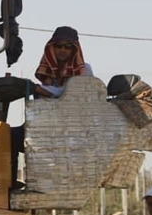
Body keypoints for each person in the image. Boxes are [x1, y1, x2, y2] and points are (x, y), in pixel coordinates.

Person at [11, 25, 95, 187]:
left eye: (67, 47)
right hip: (48, 123)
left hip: (70, 128)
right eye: (58, 46)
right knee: (8, 137)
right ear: (52, 47)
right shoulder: (50, 70)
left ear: (74, 50)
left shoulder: (83, 70)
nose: (62, 50)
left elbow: (66, 93)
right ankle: (12, 182)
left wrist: (38, 89)